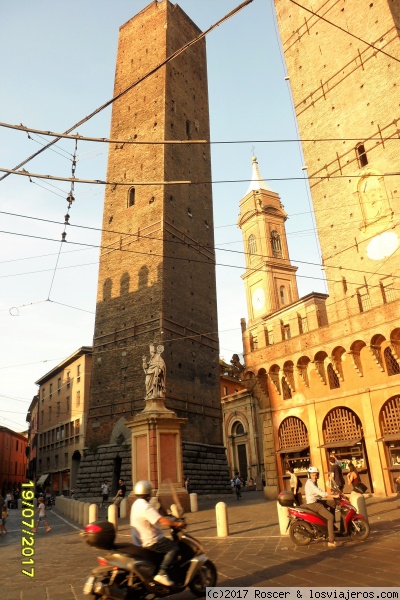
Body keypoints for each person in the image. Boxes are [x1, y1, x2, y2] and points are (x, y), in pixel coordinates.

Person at [130, 480, 184, 587]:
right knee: (173, 548)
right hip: (151, 540)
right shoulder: (145, 506)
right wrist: (176, 524)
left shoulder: (136, 504)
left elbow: (155, 516)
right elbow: (161, 521)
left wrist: (168, 517)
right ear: (148, 493)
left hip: (140, 540)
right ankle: (162, 573)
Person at [304, 466, 339, 548]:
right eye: (313, 475)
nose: (315, 476)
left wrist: (333, 494)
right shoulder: (310, 483)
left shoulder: (313, 482)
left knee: (333, 503)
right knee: (330, 517)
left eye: (316, 475)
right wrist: (334, 495)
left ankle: (331, 526)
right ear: (309, 475)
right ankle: (331, 541)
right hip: (313, 504)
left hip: (317, 501)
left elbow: (320, 493)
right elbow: (322, 494)